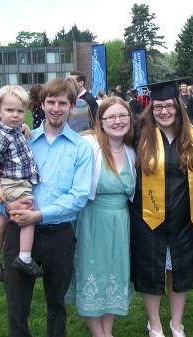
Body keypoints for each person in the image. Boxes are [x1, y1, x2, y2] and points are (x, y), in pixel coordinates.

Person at [0, 77, 93, 337]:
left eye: (62, 103)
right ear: (41, 104)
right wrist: (9, 206)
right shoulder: (22, 139)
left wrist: (40, 214)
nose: (56, 108)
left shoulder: (80, 148)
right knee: (17, 305)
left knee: (57, 303)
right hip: (17, 230)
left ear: (72, 105)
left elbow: (78, 196)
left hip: (59, 235)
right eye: (51, 102)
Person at [129, 79, 193, 337]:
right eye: (158, 106)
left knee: (179, 269)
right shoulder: (138, 132)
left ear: (179, 106)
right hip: (148, 217)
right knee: (150, 269)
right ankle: (155, 325)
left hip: (185, 217)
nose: (164, 111)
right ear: (151, 107)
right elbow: (106, 135)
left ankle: (176, 324)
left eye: (169, 106)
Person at [65, 97, 136, 337]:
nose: (118, 121)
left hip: (121, 223)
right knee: (91, 276)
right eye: (111, 117)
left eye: (122, 116)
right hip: (92, 221)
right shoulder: (88, 144)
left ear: (130, 118)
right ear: (100, 121)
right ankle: (99, 334)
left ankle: (108, 331)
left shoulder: (130, 150)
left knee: (113, 278)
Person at [0, 85, 42, 282]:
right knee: (29, 216)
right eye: (9, 110)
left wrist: (24, 127)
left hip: (15, 183)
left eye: (20, 111)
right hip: (12, 184)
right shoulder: (0, 135)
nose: (15, 115)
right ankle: (24, 257)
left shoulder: (15, 131)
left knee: (2, 222)